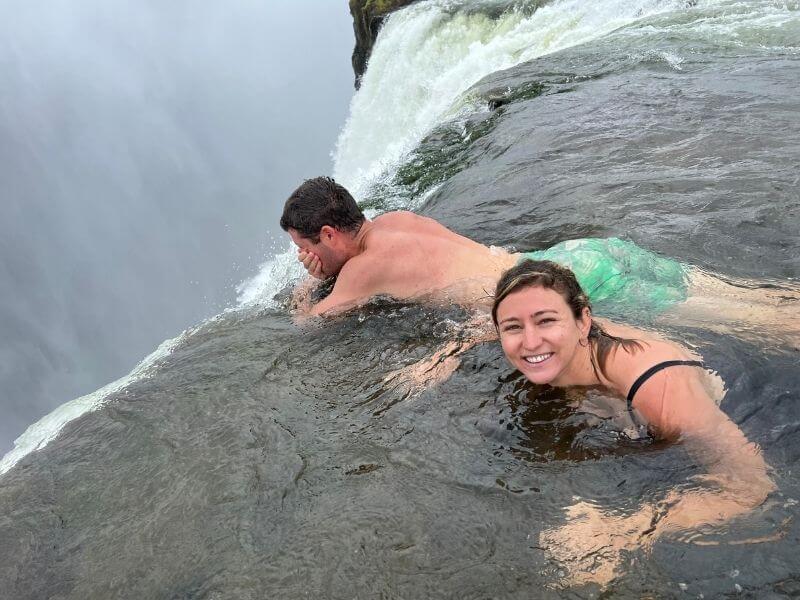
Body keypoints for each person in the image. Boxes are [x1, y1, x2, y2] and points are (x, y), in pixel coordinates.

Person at [491, 259, 776, 586]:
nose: (529, 342)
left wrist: (628, 529)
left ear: (583, 321)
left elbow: (750, 487)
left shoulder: (660, 388)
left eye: (546, 321)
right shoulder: (557, 354)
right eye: (512, 327)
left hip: (747, 397)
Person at [280, 176, 799, 348]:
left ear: (329, 234)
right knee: (752, 298)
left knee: (758, 325)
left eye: (306, 248)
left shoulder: (363, 269)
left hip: (561, 287)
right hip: (581, 253)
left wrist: (310, 286)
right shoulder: (397, 218)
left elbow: (308, 323)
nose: (307, 257)